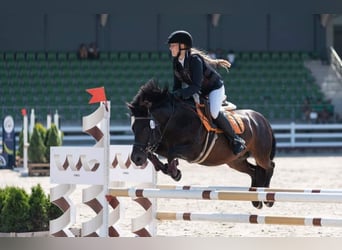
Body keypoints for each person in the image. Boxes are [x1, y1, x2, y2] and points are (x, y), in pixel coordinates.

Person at [167, 30, 246, 155]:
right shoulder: (176, 62)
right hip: (199, 91)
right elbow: (177, 85)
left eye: (173, 45)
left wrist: (180, 94)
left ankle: (235, 139)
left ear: (182, 46)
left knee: (214, 113)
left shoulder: (194, 60)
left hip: (214, 89)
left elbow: (195, 85)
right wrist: (172, 97)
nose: (170, 48)